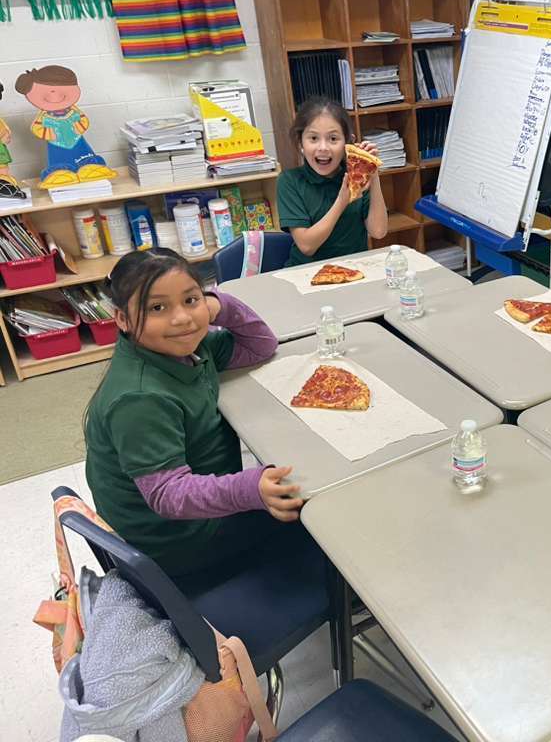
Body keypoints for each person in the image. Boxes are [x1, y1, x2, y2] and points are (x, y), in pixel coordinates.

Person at [85, 249, 304, 592]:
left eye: (190, 299)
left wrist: (216, 305)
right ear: (122, 319)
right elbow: (168, 495)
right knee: (315, 512)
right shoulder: (140, 399)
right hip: (180, 545)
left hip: (190, 521)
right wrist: (248, 489)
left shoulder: (186, 350)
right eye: (157, 308)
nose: (182, 319)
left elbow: (261, 345)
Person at [277, 96, 388, 267]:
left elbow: (379, 231)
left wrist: (373, 173)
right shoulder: (290, 181)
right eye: (313, 138)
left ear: (347, 142)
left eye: (333, 139)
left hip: (355, 270)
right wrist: (342, 201)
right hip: (306, 273)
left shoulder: (355, 177)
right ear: (301, 143)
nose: (323, 147)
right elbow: (307, 246)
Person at [14, 65, 117, 188]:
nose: (53, 93)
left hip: (77, 141)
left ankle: (89, 167)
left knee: (87, 157)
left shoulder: (74, 112)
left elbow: (83, 121)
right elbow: (37, 128)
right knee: (59, 162)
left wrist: (79, 126)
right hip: (56, 144)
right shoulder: (44, 117)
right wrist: (48, 133)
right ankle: (60, 172)